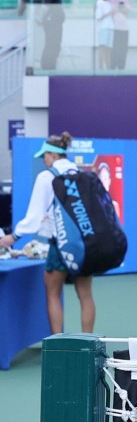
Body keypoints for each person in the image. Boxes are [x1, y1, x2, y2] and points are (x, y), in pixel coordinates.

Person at [1, 133, 97, 334]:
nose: (44, 161)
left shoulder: (46, 176)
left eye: (45, 156)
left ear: (53, 155)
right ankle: (89, 342)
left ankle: (57, 345)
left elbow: (34, 217)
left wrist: (13, 237)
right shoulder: (82, 174)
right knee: (85, 294)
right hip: (86, 244)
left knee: (53, 293)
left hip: (60, 244)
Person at [40, 0, 67, 71]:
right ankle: (48, 66)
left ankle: (50, 65)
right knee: (52, 44)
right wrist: (42, 19)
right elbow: (46, 8)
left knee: (54, 45)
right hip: (52, 23)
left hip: (55, 23)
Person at [107, 0, 131, 70]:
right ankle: (112, 67)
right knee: (114, 48)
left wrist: (120, 8)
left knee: (123, 48)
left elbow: (127, 9)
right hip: (113, 25)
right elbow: (109, 11)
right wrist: (117, 8)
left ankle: (121, 67)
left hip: (123, 25)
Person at [94, 0, 114, 70]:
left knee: (109, 49)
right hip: (103, 28)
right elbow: (98, 17)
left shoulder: (109, 3)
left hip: (111, 27)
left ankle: (108, 68)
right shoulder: (99, 3)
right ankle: (101, 68)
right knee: (103, 48)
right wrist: (110, 13)